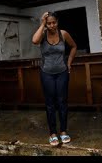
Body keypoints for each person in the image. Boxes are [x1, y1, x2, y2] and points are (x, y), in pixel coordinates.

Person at [32, 11, 77, 146]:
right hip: (46, 73)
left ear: (57, 22)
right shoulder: (42, 35)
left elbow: (74, 47)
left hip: (62, 72)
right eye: (49, 23)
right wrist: (42, 24)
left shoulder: (63, 34)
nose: (52, 25)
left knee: (62, 101)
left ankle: (63, 131)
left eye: (54, 22)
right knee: (50, 103)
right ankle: (52, 133)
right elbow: (34, 41)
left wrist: (69, 63)